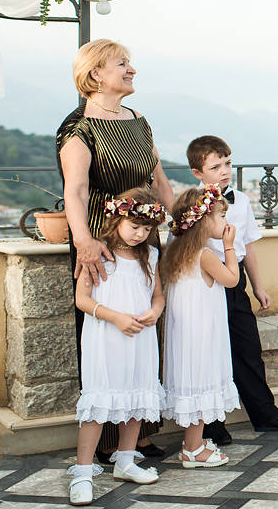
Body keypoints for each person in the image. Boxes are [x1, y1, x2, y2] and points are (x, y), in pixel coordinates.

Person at [56, 39, 174, 463]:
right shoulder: (78, 128)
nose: (132, 70)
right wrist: (84, 241)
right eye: (122, 63)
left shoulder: (139, 119)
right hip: (100, 242)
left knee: (144, 328)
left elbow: (158, 178)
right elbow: (76, 189)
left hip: (146, 239)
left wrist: (179, 227)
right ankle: (104, 444)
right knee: (106, 335)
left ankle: (137, 437)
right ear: (95, 75)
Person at [187, 135, 278, 445]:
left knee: (248, 349)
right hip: (209, 282)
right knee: (213, 352)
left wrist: (258, 286)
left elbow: (248, 248)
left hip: (235, 279)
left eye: (227, 163)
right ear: (198, 173)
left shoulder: (241, 200)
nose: (225, 170)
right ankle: (212, 425)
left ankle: (264, 414)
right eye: (216, 166)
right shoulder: (193, 204)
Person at [68, 187, 167, 505]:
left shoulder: (150, 256)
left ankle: (126, 459)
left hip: (140, 338)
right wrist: (116, 318)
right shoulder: (99, 254)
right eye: (134, 226)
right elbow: (82, 299)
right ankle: (83, 472)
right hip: (106, 338)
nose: (140, 234)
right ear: (116, 218)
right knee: (99, 403)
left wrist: (154, 312)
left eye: (147, 228)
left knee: (137, 396)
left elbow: (158, 296)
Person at [159, 185, 241, 468]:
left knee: (193, 381)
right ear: (204, 220)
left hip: (187, 331)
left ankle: (192, 441)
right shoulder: (204, 255)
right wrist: (229, 246)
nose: (226, 223)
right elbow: (231, 279)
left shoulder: (176, 251)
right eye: (221, 216)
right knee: (201, 381)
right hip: (202, 332)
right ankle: (193, 449)